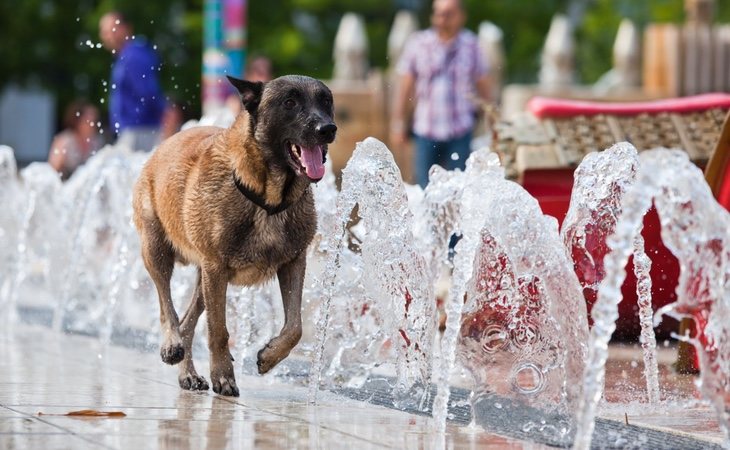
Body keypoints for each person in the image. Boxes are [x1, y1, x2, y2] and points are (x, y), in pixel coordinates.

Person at [391, 0, 492, 188]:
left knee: (460, 189)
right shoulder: (418, 43)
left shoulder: (472, 45)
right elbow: (405, 86)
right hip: (425, 129)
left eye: (448, 14)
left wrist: (492, 121)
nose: (441, 19)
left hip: (460, 129)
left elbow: (483, 84)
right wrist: (398, 124)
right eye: (438, 13)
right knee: (425, 190)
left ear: (461, 16)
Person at [99, 11, 165, 151]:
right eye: (104, 31)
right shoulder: (127, 56)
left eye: (112, 30)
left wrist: (162, 114)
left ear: (126, 28)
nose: (106, 36)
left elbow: (148, 93)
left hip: (140, 131)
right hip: (137, 130)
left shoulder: (133, 56)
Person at [48, 101, 103, 180]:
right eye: (89, 120)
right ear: (78, 120)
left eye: (95, 120)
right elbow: (52, 169)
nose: (93, 124)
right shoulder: (64, 141)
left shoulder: (96, 142)